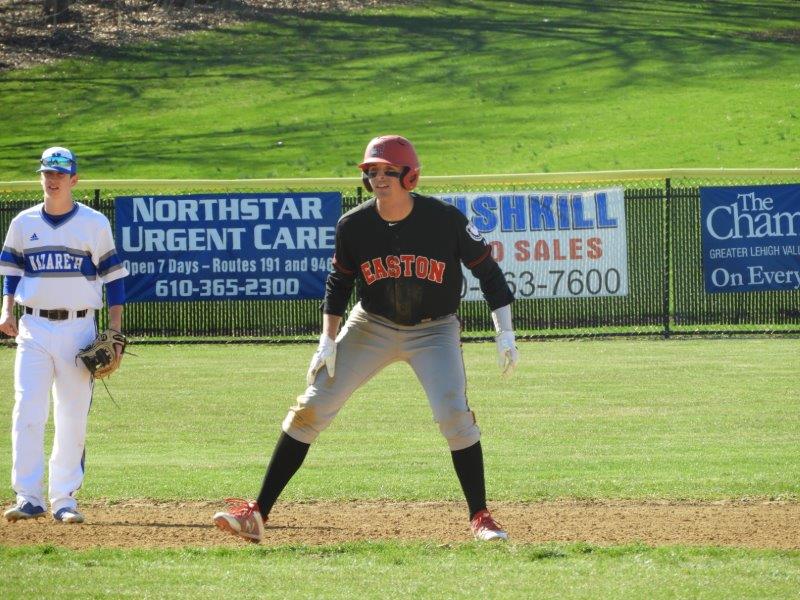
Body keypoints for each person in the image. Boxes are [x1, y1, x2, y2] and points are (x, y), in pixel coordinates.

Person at [213, 135, 519, 542]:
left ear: (409, 176)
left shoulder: (444, 220)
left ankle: (480, 516)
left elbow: (488, 273)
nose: (378, 177)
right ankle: (257, 514)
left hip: (434, 328)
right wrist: (327, 339)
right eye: (371, 171)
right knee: (312, 407)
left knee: (453, 415)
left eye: (388, 170)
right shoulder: (353, 225)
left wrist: (506, 331)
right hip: (371, 323)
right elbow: (339, 282)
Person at [0, 147, 128, 524]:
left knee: (72, 414)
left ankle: (64, 499)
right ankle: (28, 496)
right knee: (28, 410)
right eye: (46, 173)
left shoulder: (93, 223)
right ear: (40, 177)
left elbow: (115, 280)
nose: (52, 179)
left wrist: (116, 331)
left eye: (60, 173)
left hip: (78, 327)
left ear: (74, 179)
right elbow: (11, 271)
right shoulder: (23, 223)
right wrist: (6, 309)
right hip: (33, 325)